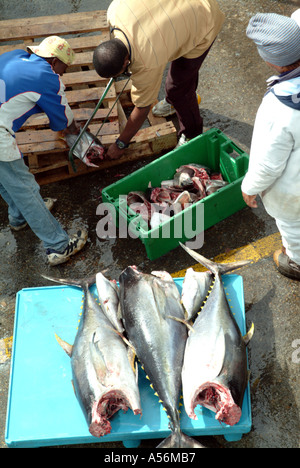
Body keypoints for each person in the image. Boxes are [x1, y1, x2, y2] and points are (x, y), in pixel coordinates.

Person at [93, 0, 225, 159]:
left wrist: (121, 143)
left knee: (178, 89)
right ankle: (174, 103)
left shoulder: (147, 60)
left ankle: (192, 134)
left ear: (125, 61)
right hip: (176, 11)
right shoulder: (114, 11)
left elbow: (142, 107)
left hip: (204, 17)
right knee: (181, 74)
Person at [0, 36, 88, 266]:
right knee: (25, 189)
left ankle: (18, 217)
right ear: (53, 62)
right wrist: (73, 129)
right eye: (63, 69)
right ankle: (59, 246)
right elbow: (63, 122)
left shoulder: (14, 56)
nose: (62, 75)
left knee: (4, 177)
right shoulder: (48, 77)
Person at [242, 10, 300, 281]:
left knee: (293, 228)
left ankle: (296, 263)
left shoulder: (280, 108)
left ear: (272, 62)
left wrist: (249, 187)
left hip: (294, 192)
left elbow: (268, 163)